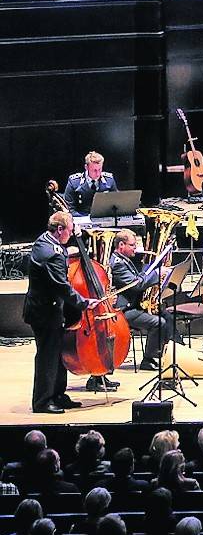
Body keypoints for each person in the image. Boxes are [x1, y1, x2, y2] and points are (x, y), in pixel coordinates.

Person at [26, 211, 90, 414]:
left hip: (54, 309)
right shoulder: (50, 252)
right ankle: (42, 401)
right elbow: (61, 286)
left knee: (58, 354)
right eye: (70, 231)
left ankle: (58, 394)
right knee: (47, 356)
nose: (71, 235)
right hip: (44, 312)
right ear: (60, 229)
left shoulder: (46, 242)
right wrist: (84, 303)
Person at [109, 230, 176, 375]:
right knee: (158, 322)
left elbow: (139, 276)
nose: (136, 248)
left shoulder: (125, 260)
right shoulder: (117, 264)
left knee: (167, 316)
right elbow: (136, 285)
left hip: (135, 305)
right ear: (121, 245)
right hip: (124, 310)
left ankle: (168, 355)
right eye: (132, 245)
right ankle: (148, 360)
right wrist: (156, 274)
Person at [64, 151, 118, 216]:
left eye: (100, 169)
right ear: (86, 167)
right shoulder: (74, 181)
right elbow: (69, 209)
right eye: (94, 170)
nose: (98, 173)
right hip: (81, 219)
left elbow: (116, 204)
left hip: (103, 218)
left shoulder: (109, 180)